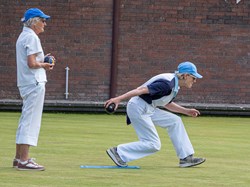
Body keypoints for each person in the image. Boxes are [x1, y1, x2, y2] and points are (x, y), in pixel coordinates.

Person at [105, 61, 206, 168]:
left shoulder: (174, 85)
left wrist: (186, 111)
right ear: (185, 76)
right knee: (153, 144)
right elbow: (141, 90)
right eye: (194, 78)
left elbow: (166, 103)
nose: (195, 81)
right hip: (139, 108)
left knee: (175, 121)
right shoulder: (167, 84)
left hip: (148, 107)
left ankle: (186, 158)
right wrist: (118, 99)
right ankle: (118, 152)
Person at [14, 8, 55, 171]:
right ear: (34, 21)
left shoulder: (23, 36)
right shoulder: (32, 37)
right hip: (34, 82)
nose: (45, 24)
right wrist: (45, 64)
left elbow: (30, 60)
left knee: (25, 119)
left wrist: (42, 60)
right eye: (43, 20)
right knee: (31, 121)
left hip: (26, 83)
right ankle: (24, 160)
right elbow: (32, 64)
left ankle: (18, 158)